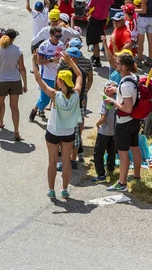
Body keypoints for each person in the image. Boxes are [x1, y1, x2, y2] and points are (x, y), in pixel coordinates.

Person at [33, 51, 82, 198]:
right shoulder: (76, 94)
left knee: (52, 161)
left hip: (53, 132)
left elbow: (38, 78)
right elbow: (79, 75)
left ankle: (51, 190)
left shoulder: (54, 95)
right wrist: (70, 62)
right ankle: (65, 189)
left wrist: (34, 62)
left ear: (60, 82)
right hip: (68, 133)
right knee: (66, 162)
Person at [103, 53, 142, 192]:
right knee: (135, 146)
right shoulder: (133, 77)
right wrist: (116, 90)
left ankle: (122, 183)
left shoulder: (125, 84)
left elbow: (127, 107)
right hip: (134, 121)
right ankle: (136, 175)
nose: (116, 65)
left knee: (123, 153)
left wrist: (113, 101)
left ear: (124, 66)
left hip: (124, 122)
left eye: (118, 63)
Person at [0, 29, 27, 141]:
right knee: (14, 108)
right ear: (14, 38)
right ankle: (16, 133)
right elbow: (22, 68)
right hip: (15, 80)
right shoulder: (18, 50)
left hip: (1, 80)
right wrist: (25, 83)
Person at [30, 26, 65, 122]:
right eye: (57, 36)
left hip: (59, 76)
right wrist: (51, 60)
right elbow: (39, 62)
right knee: (45, 99)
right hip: (47, 76)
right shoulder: (44, 46)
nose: (59, 38)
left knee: (57, 97)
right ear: (51, 35)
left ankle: (55, 118)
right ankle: (35, 109)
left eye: (60, 36)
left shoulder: (61, 45)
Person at [91, 81, 117, 183]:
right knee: (111, 151)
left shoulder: (105, 101)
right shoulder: (117, 100)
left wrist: (97, 124)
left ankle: (101, 175)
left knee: (98, 153)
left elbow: (103, 117)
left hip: (104, 131)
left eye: (105, 88)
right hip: (114, 131)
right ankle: (110, 169)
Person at [86, 0, 114, 67]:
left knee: (95, 42)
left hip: (95, 20)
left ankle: (97, 59)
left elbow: (89, 7)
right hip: (104, 20)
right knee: (100, 37)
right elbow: (110, 4)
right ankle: (95, 55)